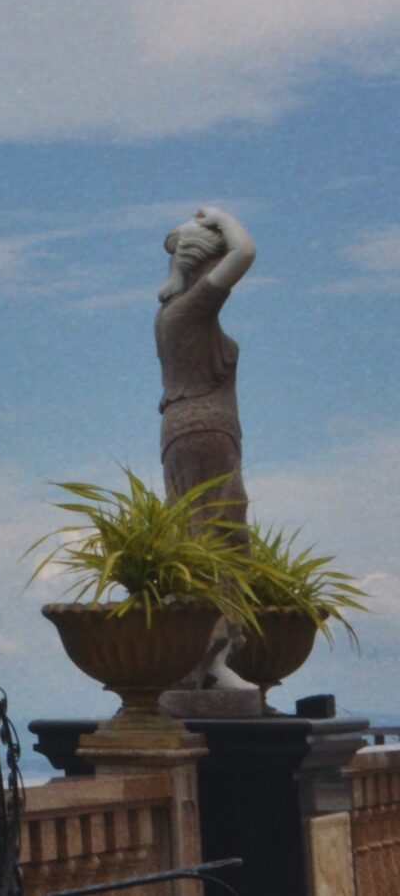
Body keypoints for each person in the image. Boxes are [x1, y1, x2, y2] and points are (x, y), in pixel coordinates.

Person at [154, 204, 256, 691]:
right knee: (215, 539)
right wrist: (219, 215)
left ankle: (205, 657)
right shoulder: (189, 311)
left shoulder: (177, 315)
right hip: (204, 434)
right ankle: (209, 658)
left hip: (195, 431)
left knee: (211, 535)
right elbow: (246, 251)